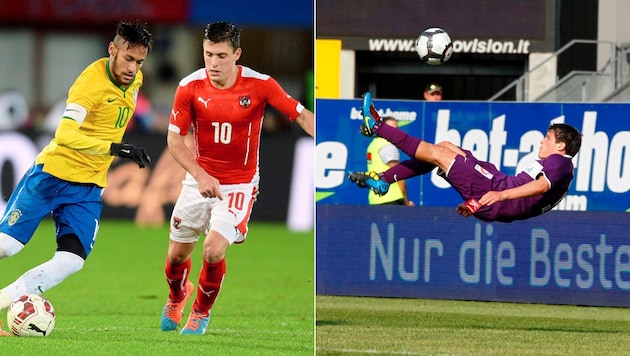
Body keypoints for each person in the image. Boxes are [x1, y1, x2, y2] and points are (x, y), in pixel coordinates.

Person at [160, 21, 314, 335]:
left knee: (213, 249)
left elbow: (300, 115)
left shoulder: (260, 84)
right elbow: (175, 141)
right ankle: (178, 296)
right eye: (208, 54)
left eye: (221, 55)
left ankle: (201, 313)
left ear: (237, 54)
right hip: (198, 181)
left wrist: (330, 138)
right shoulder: (190, 86)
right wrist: (201, 176)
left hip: (239, 184)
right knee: (176, 258)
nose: (213, 63)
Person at [0, 21, 153, 336]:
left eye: (139, 62)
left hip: (87, 187)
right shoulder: (90, 84)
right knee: (7, 246)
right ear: (112, 49)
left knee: (71, 260)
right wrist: (113, 148)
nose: (133, 68)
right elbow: (65, 133)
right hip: (52, 176)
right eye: (127, 58)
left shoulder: (135, 80)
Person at [348, 92, 582, 222]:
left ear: (561, 145)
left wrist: (498, 196)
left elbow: (540, 186)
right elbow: (528, 206)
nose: (542, 141)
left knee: (438, 153)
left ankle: (376, 126)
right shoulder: (561, 166)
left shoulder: (561, 162)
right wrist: (477, 204)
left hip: (495, 190)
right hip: (495, 187)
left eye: (548, 138)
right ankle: (383, 180)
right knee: (446, 146)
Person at [366, 116, 414, 206]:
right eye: (391, 128)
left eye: (396, 128)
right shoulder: (387, 146)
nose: (394, 131)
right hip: (392, 198)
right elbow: (398, 175)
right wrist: (406, 201)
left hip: (376, 199)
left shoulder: (373, 145)